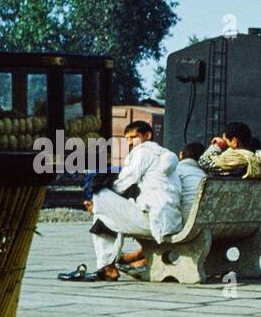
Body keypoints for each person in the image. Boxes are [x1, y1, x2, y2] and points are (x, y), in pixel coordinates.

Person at [59, 121, 181, 282]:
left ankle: (107, 267)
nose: (130, 142)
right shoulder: (166, 154)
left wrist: (101, 200)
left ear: (147, 135)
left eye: (134, 137)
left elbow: (124, 181)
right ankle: (108, 266)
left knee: (100, 194)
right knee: (104, 212)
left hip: (154, 222)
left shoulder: (142, 152)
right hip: (170, 219)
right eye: (127, 139)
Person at [197, 122, 261, 181]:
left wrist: (217, 146)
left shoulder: (236, 158)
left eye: (226, 142)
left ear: (234, 141)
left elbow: (203, 162)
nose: (226, 147)